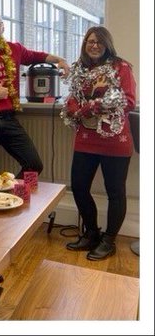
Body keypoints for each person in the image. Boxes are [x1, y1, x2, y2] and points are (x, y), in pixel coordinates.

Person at [0, 11, 69, 174]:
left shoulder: (14, 49)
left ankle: (13, 197)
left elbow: (37, 56)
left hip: (8, 118)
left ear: (3, 27)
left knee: (34, 164)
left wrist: (60, 60)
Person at [61, 26, 136, 261]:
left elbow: (129, 101)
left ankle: (109, 240)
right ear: (84, 44)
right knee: (79, 187)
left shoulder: (121, 67)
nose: (94, 45)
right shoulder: (81, 69)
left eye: (99, 41)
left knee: (115, 192)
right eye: (90, 41)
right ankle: (92, 233)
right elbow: (74, 96)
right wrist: (74, 107)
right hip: (86, 139)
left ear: (107, 44)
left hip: (116, 141)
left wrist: (93, 107)